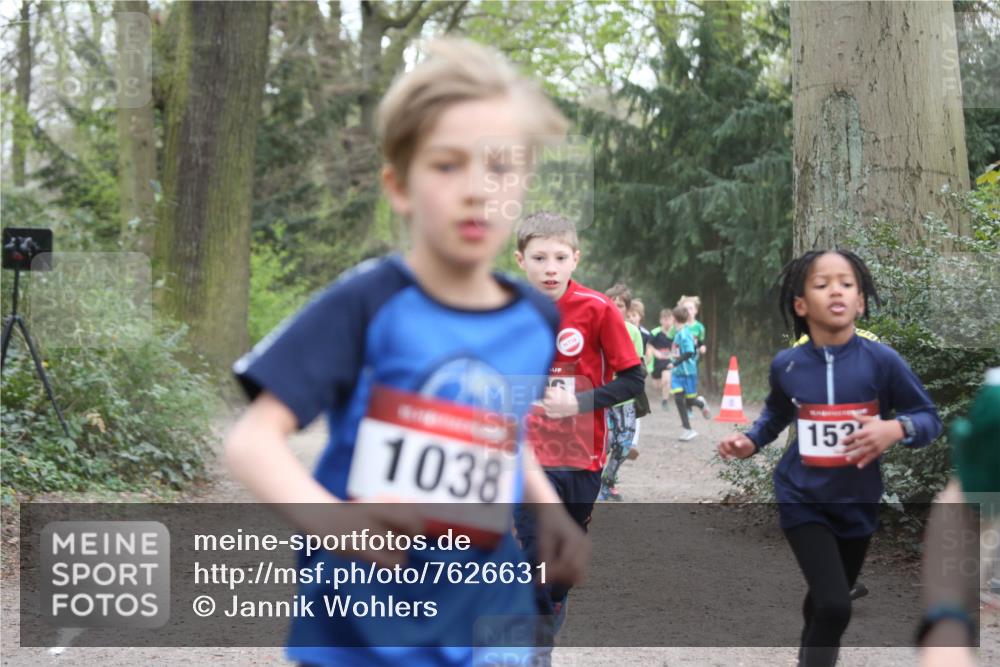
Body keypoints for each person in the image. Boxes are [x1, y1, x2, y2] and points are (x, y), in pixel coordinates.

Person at [225, 39, 589, 667]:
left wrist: (547, 507)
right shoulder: (368, 302)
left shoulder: (535, 318)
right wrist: (336, 525)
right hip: (365, 616)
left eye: (500, 168)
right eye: (447, 165)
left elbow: (499, 432)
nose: (477, 189)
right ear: (399, 185)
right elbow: (251, 442)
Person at [718, 249, 943, 667]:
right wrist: (749, 442)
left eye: (846, 283)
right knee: (837, 606)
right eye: (822, 284)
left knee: (825, 603)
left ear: (859, 301)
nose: (835, 290)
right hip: (801, 498)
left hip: (857, 502)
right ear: (801, 305)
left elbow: (928, 419)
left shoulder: (883, 362)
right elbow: (776, 416)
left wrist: (895, 428)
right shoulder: (787, 366)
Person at [513, 211, 645, 651]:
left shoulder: (598, 309)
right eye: (539, 258)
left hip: (582, 454)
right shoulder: (503, 309)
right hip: (524, 456)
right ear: (520, 259)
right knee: (534, 555)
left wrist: (578, 402)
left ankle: (547, 611)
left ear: (575, 259)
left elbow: (633, 381)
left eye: (559, 257)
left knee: (557, 570)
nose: (550, 267)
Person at [599, 284, 646, 501]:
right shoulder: (596, 328)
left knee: (624, 445)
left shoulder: (633, 332)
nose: (615, 308)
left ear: (627, 309)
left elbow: (637, 365)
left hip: (625, 398)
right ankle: (593, 484)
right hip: (602, 397)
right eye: (612, 303)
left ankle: (608, 482)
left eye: (620, 305)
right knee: (604, 443)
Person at [670, 305, 711, 441]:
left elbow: (689, 352)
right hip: (677, 373)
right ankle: (688, 429)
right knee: (678, 399)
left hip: (688, 373)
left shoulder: (685, 334)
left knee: (689, 400)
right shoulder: (677, 333)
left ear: (674, 319)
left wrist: (674, 363)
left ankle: (700, 403)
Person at [647, 308, 676, 410]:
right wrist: (656, 353)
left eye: (669, 319)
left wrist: (672, 354)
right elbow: (649, 345)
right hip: (657, 362)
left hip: (668, 361)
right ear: (661, 320)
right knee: (657, 386)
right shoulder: (655, 332)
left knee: (666, 380)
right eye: (664, 319)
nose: (667, 322)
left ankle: (665, 401)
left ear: (673, 320)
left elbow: (678, 347)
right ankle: (665, 390)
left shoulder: (675, 333)